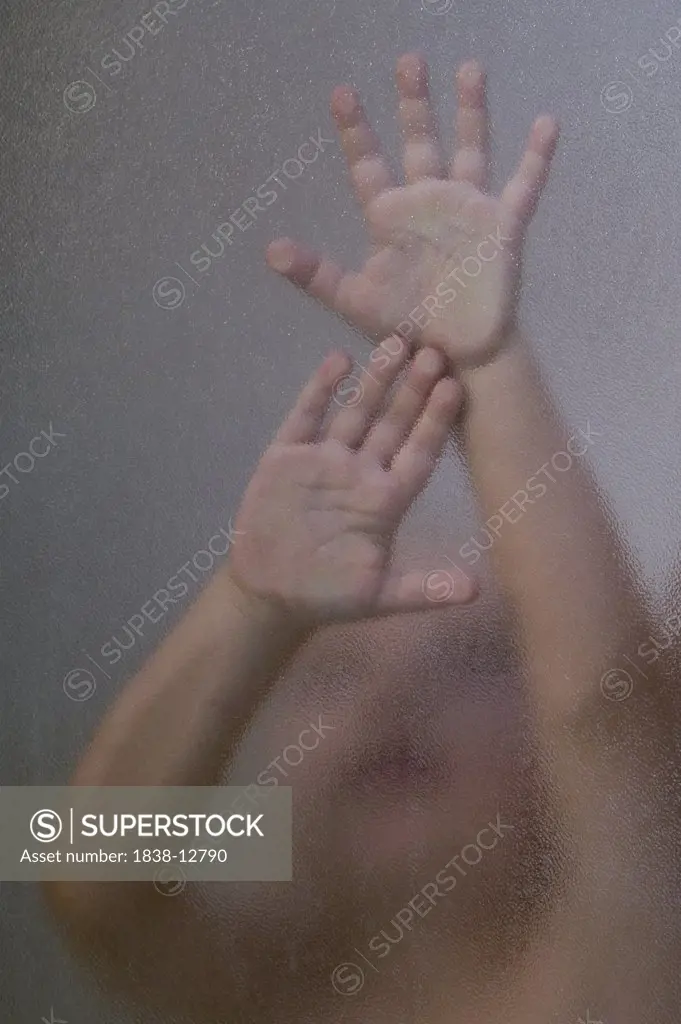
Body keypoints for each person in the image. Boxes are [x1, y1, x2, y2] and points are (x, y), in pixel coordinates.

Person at [44, 55, 680, 1024]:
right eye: (331, 671)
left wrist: (488, 360)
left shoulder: (607, 962)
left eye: (471, 659)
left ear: (553, 761)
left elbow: (613, 718)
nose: (395, 703)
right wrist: (252, 607)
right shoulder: (254, 984)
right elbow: (75, 855)